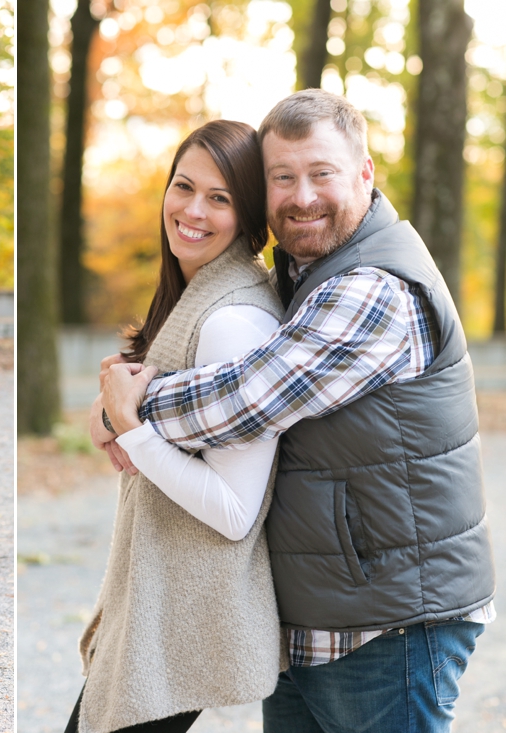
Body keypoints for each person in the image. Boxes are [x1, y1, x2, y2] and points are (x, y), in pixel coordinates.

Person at [97, 89, 496, 733]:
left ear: (365, 173)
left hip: (386, 627)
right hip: (315, 622)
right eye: (282, 177)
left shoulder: (375, 288)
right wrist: (117, 406)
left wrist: (127, 408)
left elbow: (245, 400)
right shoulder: (310, 275)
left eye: (322, 174)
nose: (301, 195)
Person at [68, 120, 286, 733]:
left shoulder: (233, 321)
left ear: (248, 217)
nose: (193, 210)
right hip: (161, 606)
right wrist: (108, 417)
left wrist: (131, 429)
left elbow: (235, 510)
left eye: (220, 198)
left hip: (185, 622)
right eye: (184, 186)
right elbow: (141, 407)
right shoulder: (195, 298)